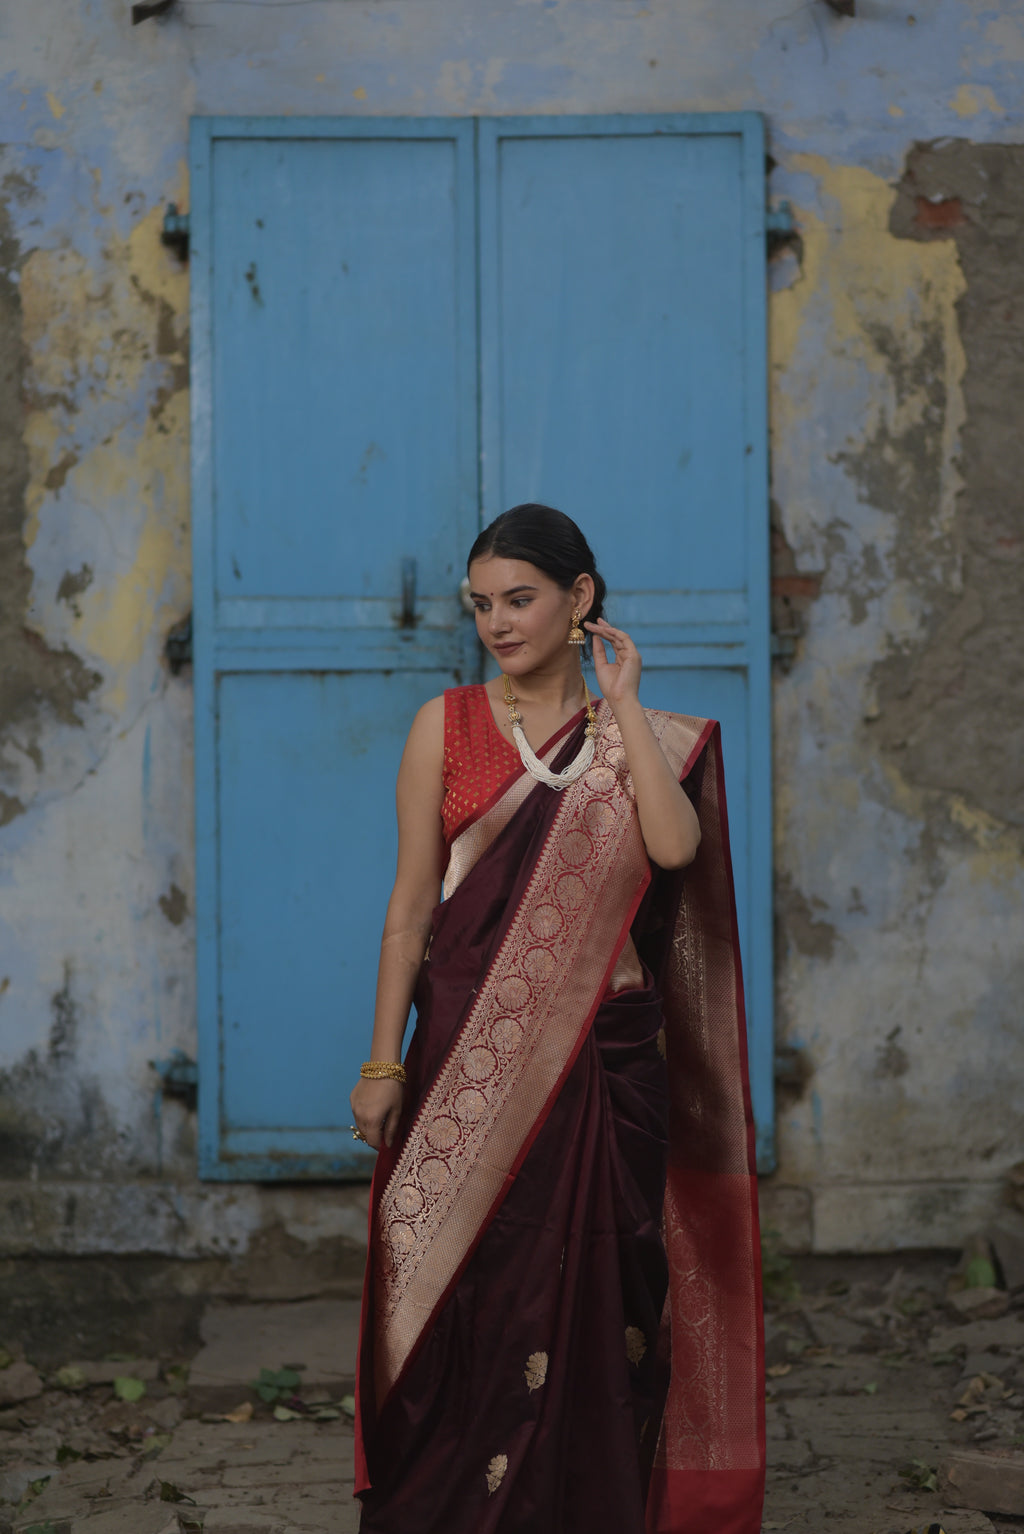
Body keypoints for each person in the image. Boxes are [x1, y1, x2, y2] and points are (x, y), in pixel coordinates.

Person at [350, 504, 765, 1534]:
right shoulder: (443, 727)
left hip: (601, 1060)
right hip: (463, 1056)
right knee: (442, 1266)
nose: (497, 621)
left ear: (580, 600)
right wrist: (381, 1062)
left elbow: (673, 849)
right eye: (482, 603)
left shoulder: (644, 743)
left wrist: (620, 708)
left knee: (596, 1283)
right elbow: (411, 911)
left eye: (521, 598)